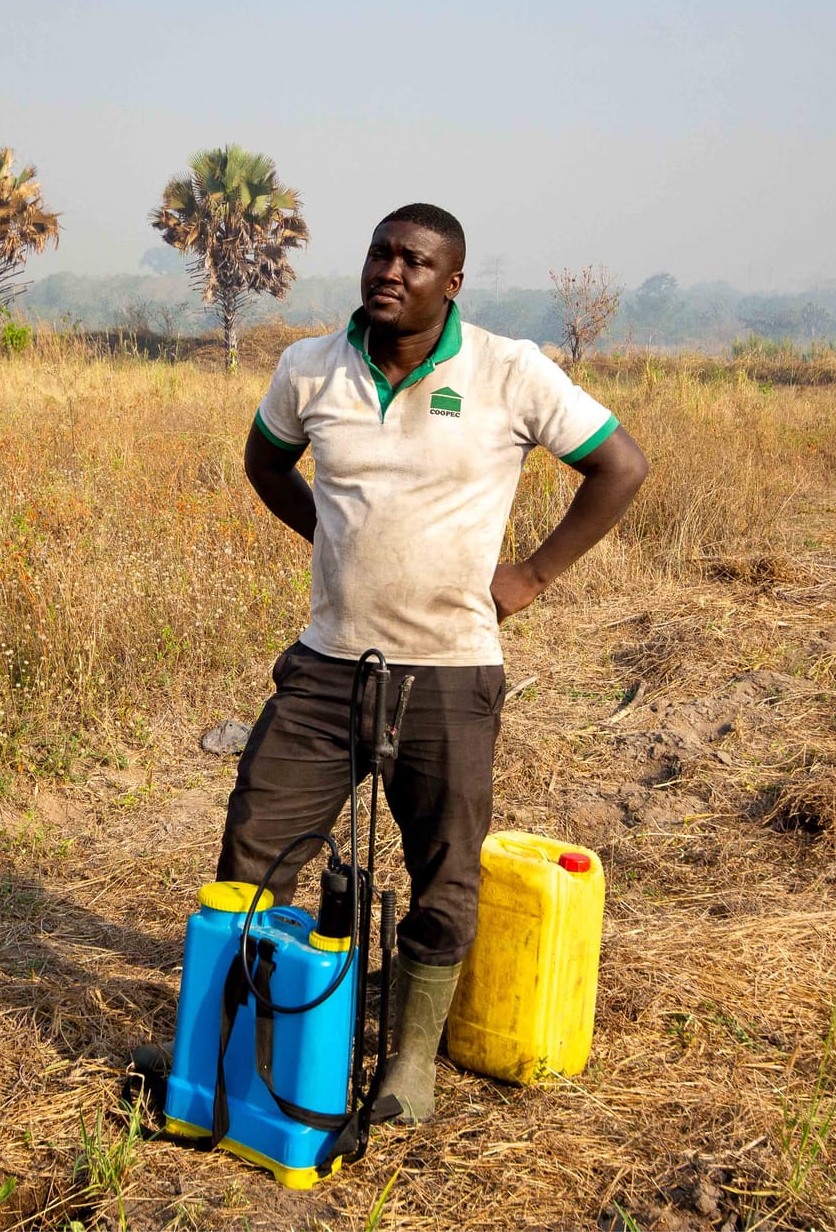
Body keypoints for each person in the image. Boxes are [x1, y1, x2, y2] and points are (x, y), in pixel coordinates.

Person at [169, 203, 649, 1125]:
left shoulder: (509, 370)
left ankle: (409, 1062)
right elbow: (266, 463)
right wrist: (326, 533)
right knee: (254, 849)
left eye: (416, 260)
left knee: (447, 869)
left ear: (452, 282)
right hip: (323, 670)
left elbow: (620, 465)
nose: (391, 271)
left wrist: (535, 576)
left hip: (451, 673)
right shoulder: (308, 367)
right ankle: (234, 1046)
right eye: (381, 253)